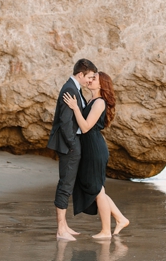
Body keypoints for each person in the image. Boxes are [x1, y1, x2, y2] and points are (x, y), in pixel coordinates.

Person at [63, 71, 129, 239]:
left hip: (95, 149)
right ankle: (120, 218)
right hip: (90, 148)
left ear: (102, 84)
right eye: (90, 77)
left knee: (97, 189)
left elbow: (85, 127)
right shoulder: (91, 100)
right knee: (97, 188)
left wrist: (75, 107)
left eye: (94, 79)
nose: (90, 80)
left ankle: (106, 231)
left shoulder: (99, 103)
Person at [47, 58, 98, 241]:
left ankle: (65, 225)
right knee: (65, 185)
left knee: (68, 185)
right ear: (80, 74)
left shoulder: (74, 88)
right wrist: (73, 145)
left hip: (73, 143)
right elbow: (66, 123)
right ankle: (61, 230)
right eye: (89, 77)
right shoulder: (70, 89)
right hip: (70, 145)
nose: (90, 80)